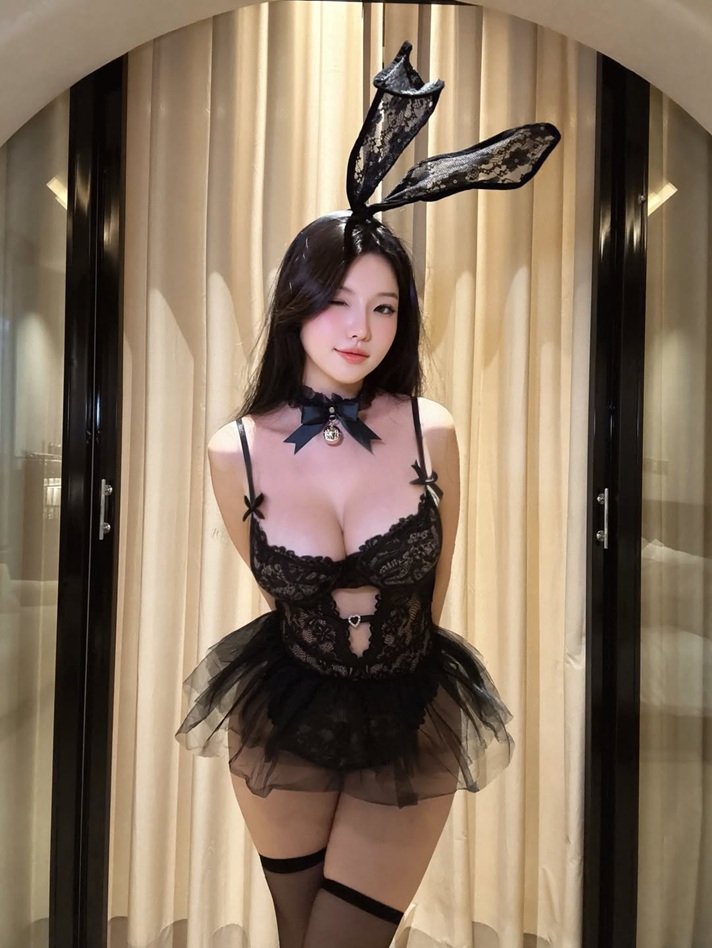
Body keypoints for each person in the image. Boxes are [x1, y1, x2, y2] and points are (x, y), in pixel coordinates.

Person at [176, 41, 560, 948]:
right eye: (339, 302)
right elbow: (277, 590)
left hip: (410, 708)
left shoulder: (432, 430)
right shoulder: (234, 450)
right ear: (297, 305)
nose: (361, 329)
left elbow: (437, 583)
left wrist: (405, 693)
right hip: (283, 711)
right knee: (298, 932)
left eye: (384, 308)